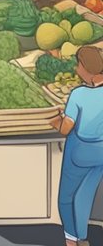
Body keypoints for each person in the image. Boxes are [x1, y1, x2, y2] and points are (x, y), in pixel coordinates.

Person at [53, 45, 103, 246]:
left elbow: (66, 129)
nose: (75, 69)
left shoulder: (79, 94)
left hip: (80, 152)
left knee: (67, 197)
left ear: (85, 66)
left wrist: (55, 120)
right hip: (101, 151)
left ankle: (73, 240)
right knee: (85, 194)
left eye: (77, 65)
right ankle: (82, 236)